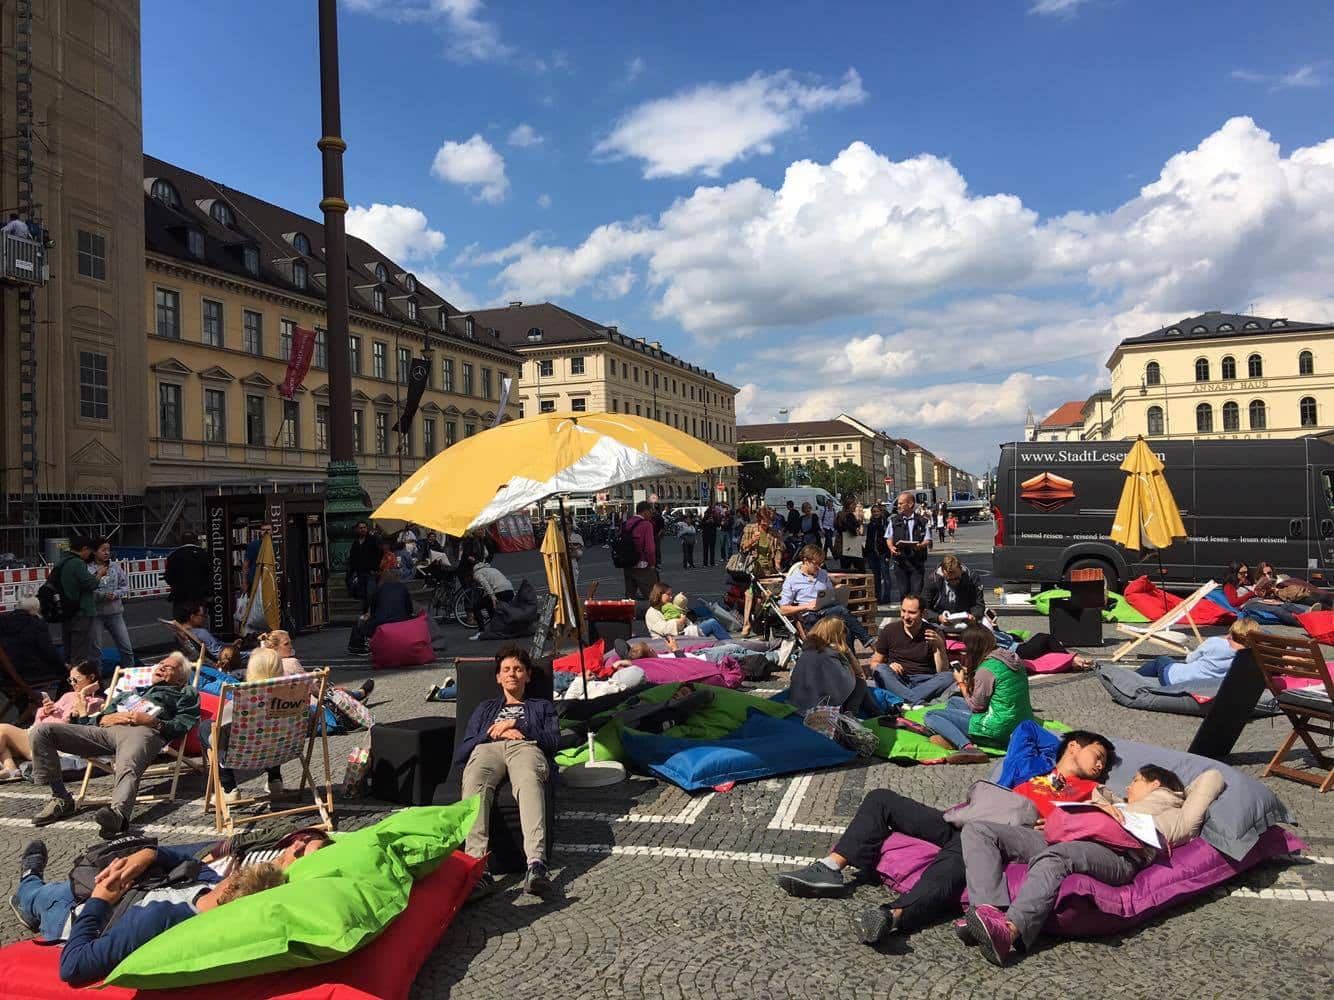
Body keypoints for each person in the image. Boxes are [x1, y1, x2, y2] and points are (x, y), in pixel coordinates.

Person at [771, 728, 1117, 947]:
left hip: (996, 835)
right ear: (1074, 746)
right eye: (1097, 755)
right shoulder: (1031, 769)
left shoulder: (1092, 790)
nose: (1101, 764)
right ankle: (831, 867)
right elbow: (1025, 730)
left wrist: (1057, 822)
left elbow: (1099, 823)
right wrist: (1058, 751)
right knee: (881, 798)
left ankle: (893, 916)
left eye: (1104, 762)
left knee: (955, 859)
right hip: (964, 818)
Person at [961, 764, 1224, 966]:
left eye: (1135, 781)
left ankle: (1009, 931)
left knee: (1055, 859)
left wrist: (1179, 791)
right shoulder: (1117, 802)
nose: (1129, 787)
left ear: (1155, 784)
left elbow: (1212, 776)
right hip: (1072, 835)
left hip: (1118, 852)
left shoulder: (1174, 814)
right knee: (980, 830)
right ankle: (989, 912)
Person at [16, 835, 286, 987]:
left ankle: (29, 876)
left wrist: (100, 900)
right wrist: (149, 855)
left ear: (230, 883)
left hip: (73, 915)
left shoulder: (159, 919)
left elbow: (73, 967)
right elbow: (193, 864)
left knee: (37, 895)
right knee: (75, 880)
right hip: (120, 890)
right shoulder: (209, 887)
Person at [29, 652, 200, 838]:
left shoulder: (185, 692)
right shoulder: (131, 693)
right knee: (42, 732)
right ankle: (61, 797)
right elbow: (92, 722)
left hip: (143, 731)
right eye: (160, 663)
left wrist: (153, 722)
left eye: (168, 667)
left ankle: (118, 817)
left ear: (180, 678)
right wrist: (106, 717)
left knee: (128, 765)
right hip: (107, 731)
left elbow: (183, 725)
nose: (160, 667)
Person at [456, 646, 559, 897]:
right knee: (474, 785)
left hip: (525, 746)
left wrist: (517, 724)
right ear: (498, 677)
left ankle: (536, 864)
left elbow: (554, 742)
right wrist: (495, 731)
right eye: (506, 669)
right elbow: (464, 748)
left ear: (528, 676)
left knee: (528, 781)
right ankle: (478, 869)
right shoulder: (485, 708)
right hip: (488, 748)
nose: (512, 673)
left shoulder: (541, 706)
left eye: (518, 669)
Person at [920, 624, 1035, 763]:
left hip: (999, 729)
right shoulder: (1012, 658)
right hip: (1020, 722)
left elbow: (976, 706)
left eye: (965, 650)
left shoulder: (986, 670)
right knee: (953, 702)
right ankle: (957, 734)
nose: (963, 653)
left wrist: (961, 682)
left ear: (973, 649)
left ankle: (967, 746)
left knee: (931, 715)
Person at [0, 662, 104, 779]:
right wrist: (45, 711)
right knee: (3, 738)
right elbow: (38, 721)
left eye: (77, 679)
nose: (73, 684)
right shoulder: (68, 695)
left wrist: (83, 694)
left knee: (2, 730)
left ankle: (11, 770)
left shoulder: (96, 702)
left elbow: (74, 726)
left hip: (51, 740)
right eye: (71, 680)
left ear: (91, 678)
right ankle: (11, 770)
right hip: (37, 732)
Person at [779, 545, 873, 650]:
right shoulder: (792, 580)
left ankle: (849, 662)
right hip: (810, 616)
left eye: (821, 564)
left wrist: (837, 590)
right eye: (817, 564)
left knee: (846, 629)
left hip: (826, 611)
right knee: (841, 611)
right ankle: (868, 641)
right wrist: (806, 606)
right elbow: (783, 610)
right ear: (806, 561)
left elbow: (829, 594)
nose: (819, 567)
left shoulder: (822, 574)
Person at [869, 594, 955, 703]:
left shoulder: (934, 633)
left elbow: (942, 671)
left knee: (949, 676)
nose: (906, 616)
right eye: (903, 611)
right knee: (880, 669)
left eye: (912, 612)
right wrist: (889, 666)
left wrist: (940, 646)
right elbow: (874, 663)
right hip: (897, 679)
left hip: (925, 681)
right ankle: (915, 700)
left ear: (923, 613)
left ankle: (904, 699)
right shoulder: (890, 630)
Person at [789, 617, 879, 716]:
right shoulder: (829, 655)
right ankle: (852, 715)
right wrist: (848, 652)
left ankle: (874, 710)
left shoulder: (808, 651)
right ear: (838, 635)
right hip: (818, 706)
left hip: (799, 702)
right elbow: (853, 678)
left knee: (859, 684)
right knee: (860, 683)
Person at [1135, 617, 1262, 685]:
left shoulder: (1215, 643)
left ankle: (1133, 677)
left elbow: (1189, 659)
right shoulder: (1251, 656)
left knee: (1162, 660)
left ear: (1232, 631)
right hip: (1204, 686)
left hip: (1175, 679)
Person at [738, 506, 783, 638]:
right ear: (760, 518)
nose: (768, 523)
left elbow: (778, 551)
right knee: (749, 595)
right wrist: (752, 540)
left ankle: (758, 622)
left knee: (764, 598)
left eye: (770, 520)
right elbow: (742, 548)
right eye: (766, 520)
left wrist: (778, 565)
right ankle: (746, 625)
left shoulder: (774, 533)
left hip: (768, 570)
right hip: (753, 568)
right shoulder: (750, 529)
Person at [55, 536, 99, 668]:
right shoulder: (77, 563)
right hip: (81, 611)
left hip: (67, 610)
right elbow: (90, 584)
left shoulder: (62, 561)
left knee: (69, 651)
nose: (90, 554)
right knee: (80, 653)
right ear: (84, 549)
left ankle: (68, 680)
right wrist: (99, 575)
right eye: (90, 551)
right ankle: (79, 683)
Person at [348, 567, 415, 653]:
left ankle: (359, 646)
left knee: (362, 621)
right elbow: (409, 608)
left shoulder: (378, 590)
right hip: (401, 621)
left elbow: (373, 610)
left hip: (381, 621)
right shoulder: (403, 588)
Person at [0, 595, 64, 684]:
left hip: (6, 674)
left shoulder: (4, 621)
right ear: (36, 608)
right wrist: (63, 666)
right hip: (31, 673)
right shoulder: (37, 625)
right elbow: (49, 652)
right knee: (67, 674)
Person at [92, 538, 134, 670]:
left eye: (108, 550)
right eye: (103, 550)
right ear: (95, 552)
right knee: (96, 649)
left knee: (126, 647)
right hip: (96, 614)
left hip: (115, 613)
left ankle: (130, 673)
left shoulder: (115, 567)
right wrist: (101, 595)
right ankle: (97, 678)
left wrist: (116, 593)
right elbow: (88, 588)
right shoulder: (88, 568)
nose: (106, 553)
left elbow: (125, 586)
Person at [885, 492, 932, 599]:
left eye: (901, 503)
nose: (898, 506)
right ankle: (905, 614)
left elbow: (928, 539)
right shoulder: (894, 520)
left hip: (916, 562)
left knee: (916, 593)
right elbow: (888, 537)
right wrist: (891, 547)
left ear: (910, 504)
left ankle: (916, 614)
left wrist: (920, 546)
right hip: (900, 562)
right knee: (903, 593)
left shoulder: (922, 521)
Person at [646, 582, 731, 641]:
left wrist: (681, 603)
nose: (671, 597)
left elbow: (679, 614)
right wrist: (678, 621)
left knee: (707, 615)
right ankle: (732, 645)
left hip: (682, 633)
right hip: (673, 639)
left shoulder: (666, 606)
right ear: (659, 594)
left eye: (671, 594)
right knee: (712, 623)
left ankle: (730, 644)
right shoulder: (652, 612)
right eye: (668, 594)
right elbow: (664, 629)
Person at [922, 554, 986, 630]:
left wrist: (974, 616)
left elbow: (979, 604)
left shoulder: (971, 578)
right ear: (943, 572)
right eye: (949, 580)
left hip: (966, 619)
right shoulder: (932, 580)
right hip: (940, 620)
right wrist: (938, 617)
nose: (954, 582)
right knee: (922, 622)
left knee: (986, 623)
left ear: (961, 570)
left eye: (957, 578)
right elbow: (924, 608)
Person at [620, 500, 659, 600]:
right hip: (642, 564)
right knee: (653, 596)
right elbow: (650, 549)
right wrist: (652, 564)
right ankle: (656, 615)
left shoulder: (627, 523)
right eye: (650, 512)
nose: (651, 514)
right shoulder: (646, 524)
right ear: (645, 511)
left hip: (627, 563)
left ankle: (627, 615)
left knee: (629, 596)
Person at [470, 560, 516, 637]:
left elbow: (485, 584)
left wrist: (492, 597)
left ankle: (481, 632)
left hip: (500, 592)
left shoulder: (477, 573)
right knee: (489, 606)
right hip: (509, 591)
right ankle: (495, 629)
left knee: (476, 606)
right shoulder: (493, 569)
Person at [346, 521, 383, 613]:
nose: (362, 529)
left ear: (367, 528)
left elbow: (379, 553)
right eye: (360, 528)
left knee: (370, 594)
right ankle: (366, 613)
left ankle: (372, 612)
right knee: (363, 595)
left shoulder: (373, 540)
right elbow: (353, 557)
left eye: (364, 527)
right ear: (357, 529)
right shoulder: (356, 542)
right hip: (360, 573)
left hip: (371, 572)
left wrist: (375, 567)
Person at [162, 542, 210, 610]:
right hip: (200, 595)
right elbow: (209, 575)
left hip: (180, 595)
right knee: (198, 617)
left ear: (181, 541)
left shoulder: (174, 555)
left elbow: (169, 577)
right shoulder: (204, 554)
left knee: (181, 618)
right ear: (196, 540)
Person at [864, 502, 892, 605]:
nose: (875, 513)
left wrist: (889, 554)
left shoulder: (885, 523)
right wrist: (866, 553)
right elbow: (868, 539)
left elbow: (888, 538)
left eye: (877, 511)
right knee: (876, 577)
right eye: (873, 512)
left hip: (883, 552)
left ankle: (886, 596)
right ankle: (877, 596)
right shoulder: (871, 524)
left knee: (886, 576)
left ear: (881, 512)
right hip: (872, 553)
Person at [834, 500, 864, 572]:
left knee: (845, 568)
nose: (854, 507)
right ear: (849, 505)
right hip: (850, 543)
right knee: (860, 568)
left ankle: (846, 582)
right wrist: (858, 525)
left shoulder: (840, 514)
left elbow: (835, 526)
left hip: (841, 543)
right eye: (854, 505)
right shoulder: (849, 515)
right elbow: (851, 530)